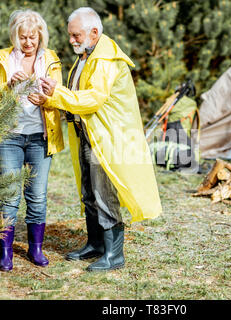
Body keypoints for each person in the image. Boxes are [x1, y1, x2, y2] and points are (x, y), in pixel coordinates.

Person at [28, 7, 162, 271]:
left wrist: (56, 95)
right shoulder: (86, 56)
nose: (71, 40)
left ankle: (115, 255)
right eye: (70, 35)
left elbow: (93, 99)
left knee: (104, 194)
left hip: (107, 137)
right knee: (88, 191)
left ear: (94, 32)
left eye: (76, 35)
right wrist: (55, 95)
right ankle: (96, 244)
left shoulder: (105, 58)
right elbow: (77, 94)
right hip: (87, 135)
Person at [0, 9, 64, 272]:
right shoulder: (3, 60)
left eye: (33, 37)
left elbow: (60, 97)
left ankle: (35, 249)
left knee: (37, 196)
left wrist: (47, 98)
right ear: (15, 36)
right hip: (9, 137)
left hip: (40, 138)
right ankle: (6, 252)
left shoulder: (50, 60)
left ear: (40, 36)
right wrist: (9, 87)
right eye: (23, 37)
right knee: (9, 196)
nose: (28, 43)